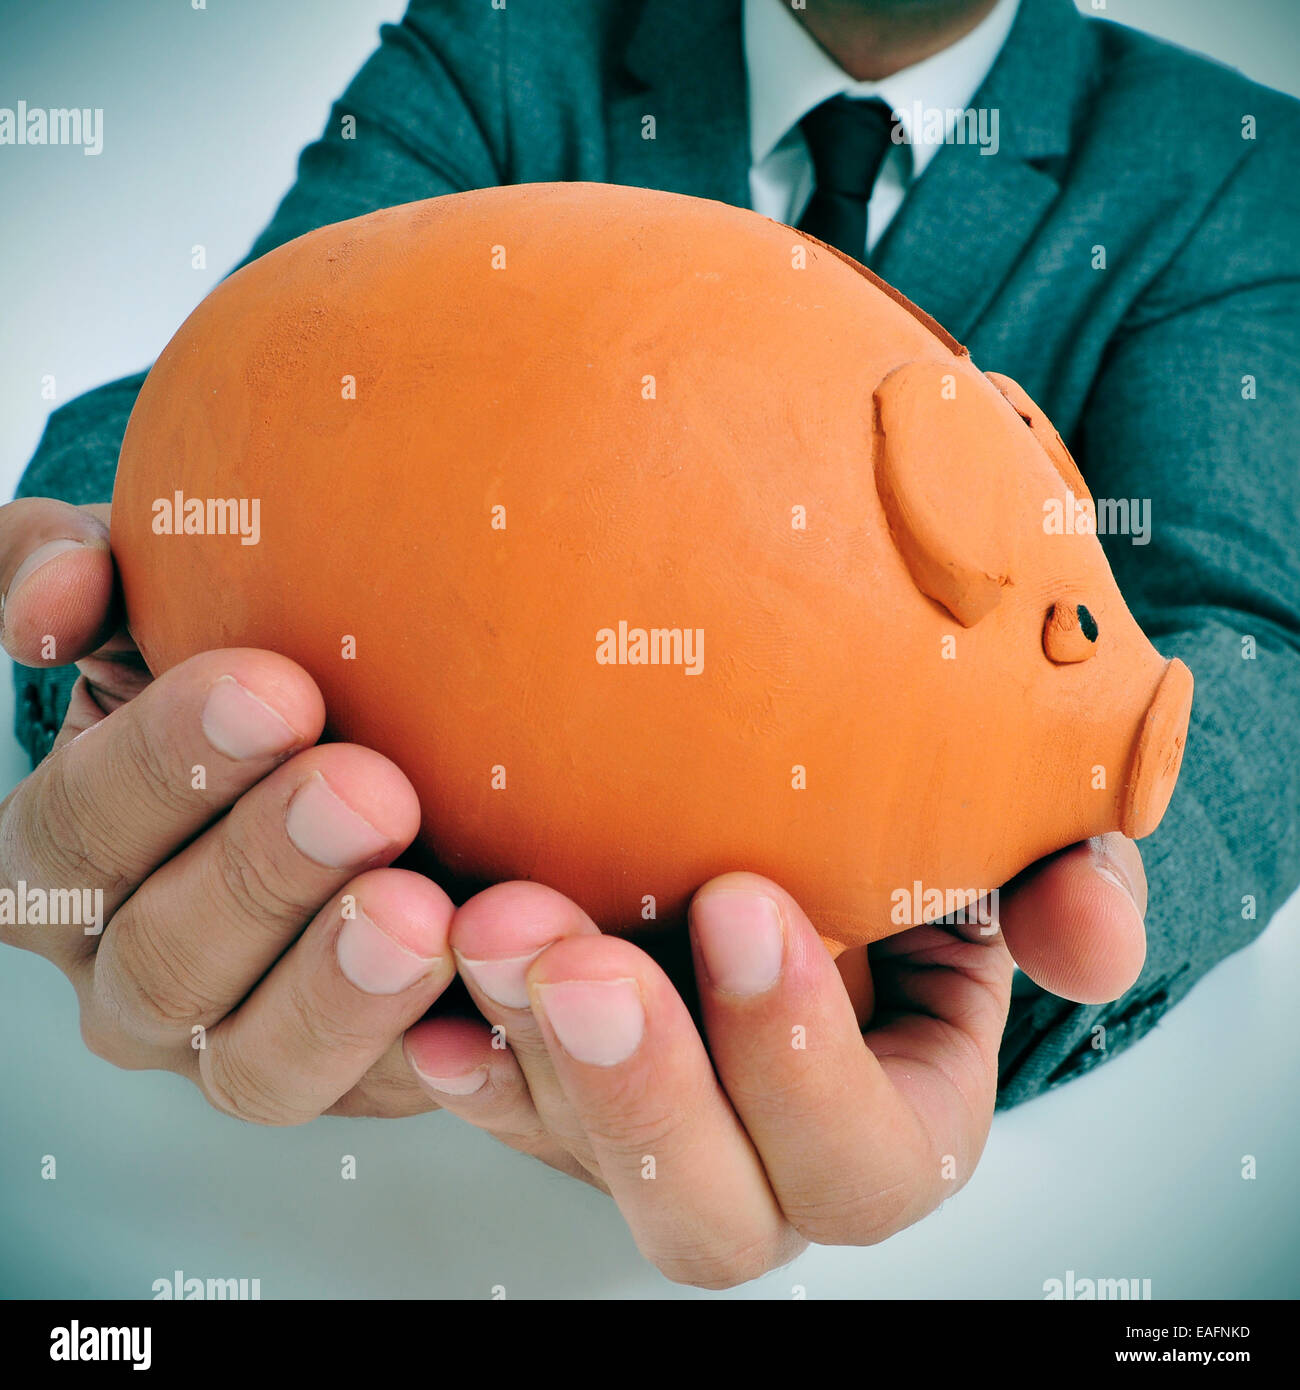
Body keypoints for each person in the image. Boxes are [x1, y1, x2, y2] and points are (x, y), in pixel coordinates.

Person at [2, 0, 1297, 1289]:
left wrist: (1015, 919)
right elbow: (267, 359)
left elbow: (1250, 630)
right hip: (335, 1229)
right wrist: (112, 620)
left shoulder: (1236, 159)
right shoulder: (504, 42)